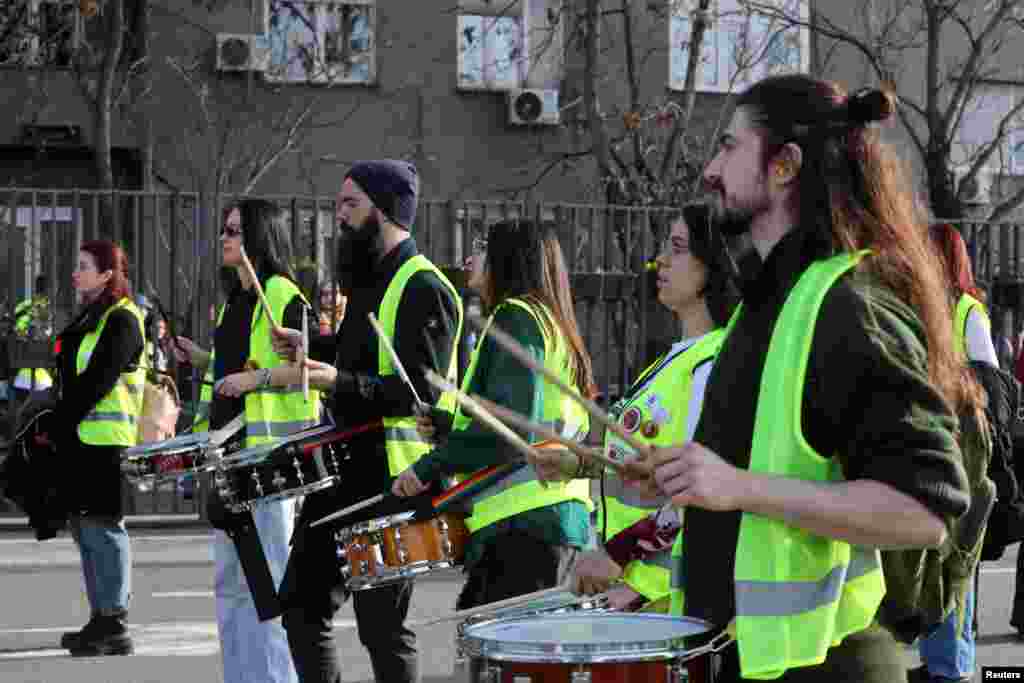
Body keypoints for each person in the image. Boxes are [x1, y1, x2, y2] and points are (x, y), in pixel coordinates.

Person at [649, 75, 975, 682]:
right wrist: (685, 477)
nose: (711, 169)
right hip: (756, 660)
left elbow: (923, 511)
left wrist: (736, 487)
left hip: (831, 666)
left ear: (784, 166)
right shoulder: (770, 299)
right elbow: (770, 466)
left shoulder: (845, 303)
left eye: (728, 147)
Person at [273, 159, 463, 683]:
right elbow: (366, 358)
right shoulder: (371, 279)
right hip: (343, 470)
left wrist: (336, 380)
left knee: (381, 627)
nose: (340, 216)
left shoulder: (424, 286)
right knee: (301, 606)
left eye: (350, 204)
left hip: (392, 481)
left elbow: (420, 390)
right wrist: (313, 348)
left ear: (384, 211)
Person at [531, 205, 739, 615]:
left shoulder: (712, 363)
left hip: (664, 591)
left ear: (713, 265)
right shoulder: (673, 360)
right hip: (634, 583)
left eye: (677, 248)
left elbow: (699, 493)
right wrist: (580, 464)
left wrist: (623, 559)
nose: (659, 260)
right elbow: (650, 465)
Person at [391, 217, 597, 614]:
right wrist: (451, 429)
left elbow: (509, 432)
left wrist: (428, 466)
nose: (471, 258)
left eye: (482, 247)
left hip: (524, 528)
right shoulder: (547, 321)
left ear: (509, 258)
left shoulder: (515, 317)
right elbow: (525, 422)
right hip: (548, 523)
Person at [172, 199, 320, 683]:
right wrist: (202, 362)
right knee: (231, 584)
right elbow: (232, 373)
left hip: (271, 466)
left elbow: (309, 370)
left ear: (260, 237)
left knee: (270, 585)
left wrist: (254, 382)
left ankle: (278, 678)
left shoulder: (282, 294)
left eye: (235, 230)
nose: (225, 237)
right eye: (224, 229)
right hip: (232, 462)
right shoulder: (236, 302)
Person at [907, 223, 999, 683]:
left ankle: (952, 666)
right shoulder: (920, 310)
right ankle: (938, 658)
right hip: (930, 448)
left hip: (963, 453)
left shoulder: (967, 312)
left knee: (955, 565)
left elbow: (993, 390)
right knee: (928, 561)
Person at [50, 241, 145, 655]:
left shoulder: (122, 319)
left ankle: (114, 622)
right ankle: (99, 617)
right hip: (81, 440)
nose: (76, 272)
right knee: (85, 529)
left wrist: (60, 418)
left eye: (84, 266)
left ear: (107, 274)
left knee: (105, 530)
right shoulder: (92, 316)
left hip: (106, 444)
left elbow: (98, 380)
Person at [12, 273, 55, 402]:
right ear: (51, 290)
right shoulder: (53, 310)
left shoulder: (24, 306)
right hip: (45, 379)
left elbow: (16, 333)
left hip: (21, 379)